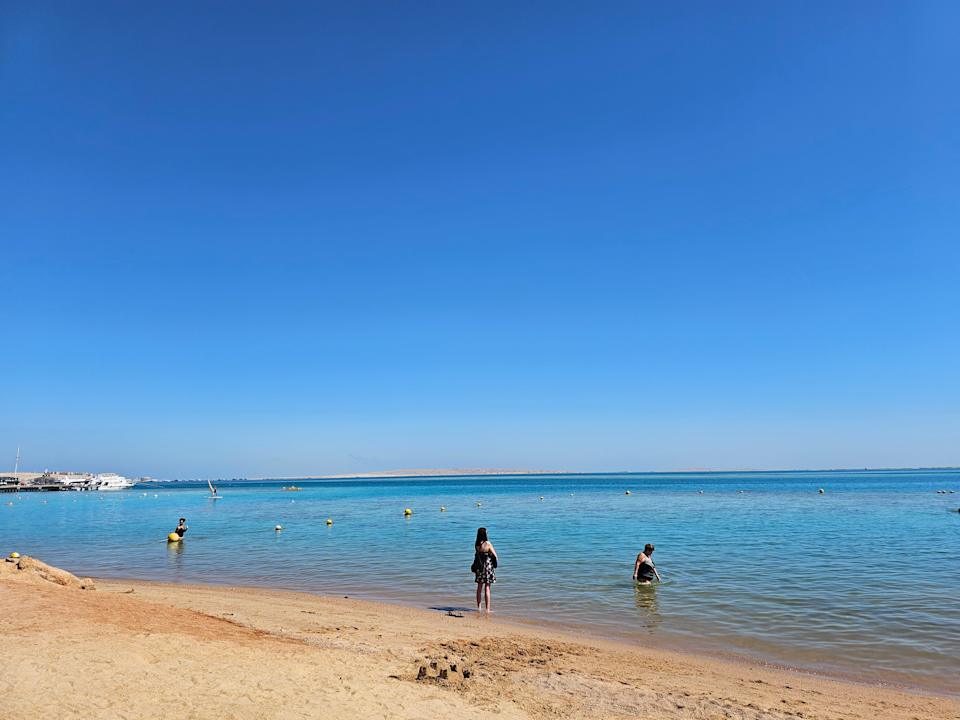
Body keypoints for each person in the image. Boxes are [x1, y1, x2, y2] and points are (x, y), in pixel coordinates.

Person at [472, 527, 498, 613]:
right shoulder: (488, 543)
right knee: (487, 588)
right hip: (487, 566)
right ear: (485, 534)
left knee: (479, 587)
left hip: (479, 567)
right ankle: (487, 609)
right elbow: (495, 556)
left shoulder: (476, 544)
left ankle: (479, 607)